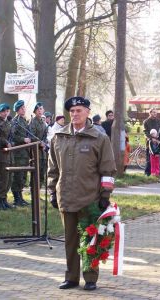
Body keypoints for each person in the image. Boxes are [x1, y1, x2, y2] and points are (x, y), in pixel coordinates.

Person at [48, 96, 116, 291]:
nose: (75, 114)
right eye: (72, 111)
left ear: (87, 112)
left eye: (79, 110)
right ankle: (71, 277)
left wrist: (105, 196)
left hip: (90, 199)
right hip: (66, 198)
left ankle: (91, 278)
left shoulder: (99, 138)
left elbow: (108, 170)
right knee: (70, 241)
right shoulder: (59, 137)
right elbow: (52, 169)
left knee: (90, 240)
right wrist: (53, 191)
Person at [10, 100, 31, 207]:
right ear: (17, 110)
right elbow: (12, 137)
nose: (24, 109)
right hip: (18, 153)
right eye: (22, 108)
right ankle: (16, 198)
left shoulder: (24, 120)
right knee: (17, 175)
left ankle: (21, 197)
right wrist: (23, 139)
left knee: (23, 176)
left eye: (24, 107)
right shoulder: (15, 121)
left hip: (25, 153)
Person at [0, 103, 13, 210]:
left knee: (7, 178)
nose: (5, 113)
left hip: (8, 153)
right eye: (3, 111)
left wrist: (11, 142)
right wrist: (6, 142)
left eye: (7, 111)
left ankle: (4, 199)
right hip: (1, 153)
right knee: (2, 177)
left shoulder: (8, 122)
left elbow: (10, 136)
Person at [28, 102, 48, 191]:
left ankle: (38, 191)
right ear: (35, 111)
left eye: (41, 109)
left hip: (42, 151)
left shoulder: (43, 122)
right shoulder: (33, 122)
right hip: (35, 151)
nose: (40, 111)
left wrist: (44, 142)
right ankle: (34, 192)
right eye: (38, 109)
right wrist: (40, 143)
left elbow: (45, 135)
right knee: (36, 172)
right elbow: (31, 136)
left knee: (42, 172)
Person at [143, 108, 160, 176]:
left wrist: (158, 138)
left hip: (158, 141)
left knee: (157, 158)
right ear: (150, 113)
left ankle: (157, 172)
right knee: (149, 158)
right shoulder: (146, 121)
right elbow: (145, 132)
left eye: (156, 112)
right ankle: (147, 173)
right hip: (149, 142)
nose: (155, 113)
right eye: (153, 112)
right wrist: (151, 138)